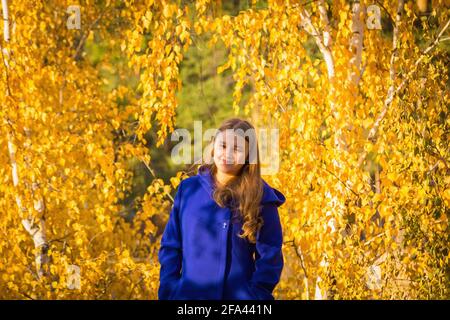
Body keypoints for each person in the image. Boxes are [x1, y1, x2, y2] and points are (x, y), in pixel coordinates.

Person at [158, 118, 286, 300]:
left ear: (249, 156)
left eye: (237, 149)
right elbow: (171, 246)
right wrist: (170, 291)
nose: (227, 154)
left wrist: (256, 296)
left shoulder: (260, 196)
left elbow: (270, 257)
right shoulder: (188, 190)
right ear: (213, 146)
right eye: (223, 145)